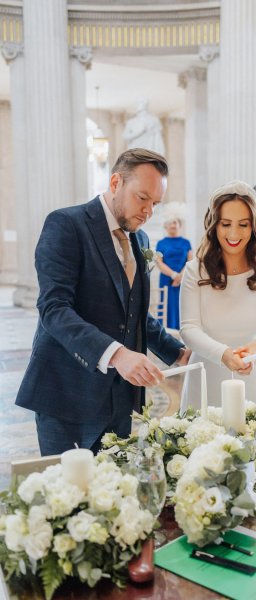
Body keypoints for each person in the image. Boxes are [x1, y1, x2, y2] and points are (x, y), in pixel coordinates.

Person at [15, 148, 191, 455]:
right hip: (67, 394)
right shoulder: (66, 224)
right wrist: (118, 355)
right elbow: (54, 309)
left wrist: (178, 354)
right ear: (115, 183)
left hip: (120, 400)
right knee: (69, 498)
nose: (149, 211)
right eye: (142, 198)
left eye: (155, 203)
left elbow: (133, 312)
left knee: (110, 493)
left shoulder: (141, 239)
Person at [179, 180, 256, 411]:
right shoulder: (194, 270)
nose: (234, 233)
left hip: (255, 371)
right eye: (226, 224)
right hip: (206, 374)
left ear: (253, 227)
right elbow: (189, 329)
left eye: (243, 225)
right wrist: (223, 354)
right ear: (213, 226)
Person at [155, 216, 193, 329]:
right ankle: (166, 335)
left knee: (182, 306)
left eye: (175, 222)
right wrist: (174, 275)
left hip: (184, 279)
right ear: (165, 225)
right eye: (170, 222)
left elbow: (191, 261)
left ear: (180, 225)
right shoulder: (160, 243)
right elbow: (159, 262)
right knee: (168, 306)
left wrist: (180, 277)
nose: (173, 225)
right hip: (167, 280)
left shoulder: (186, 242)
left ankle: (183, 335)